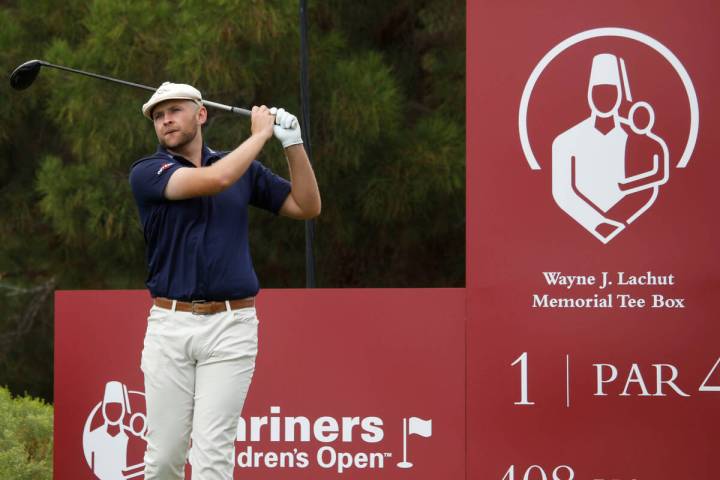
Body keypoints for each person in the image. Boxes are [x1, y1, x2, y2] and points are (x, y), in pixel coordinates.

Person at [128, 82, 320, 479]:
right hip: (170, 325)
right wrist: (260, 134)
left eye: (175, 110)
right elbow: (215, 181)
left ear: (201, 114)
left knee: (214, 456)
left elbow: (306, 205)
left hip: (232, 328)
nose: (165, 120)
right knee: (164, 457)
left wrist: (292, 144)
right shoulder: (148, 172)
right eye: (158, 116)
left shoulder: (242, 168)